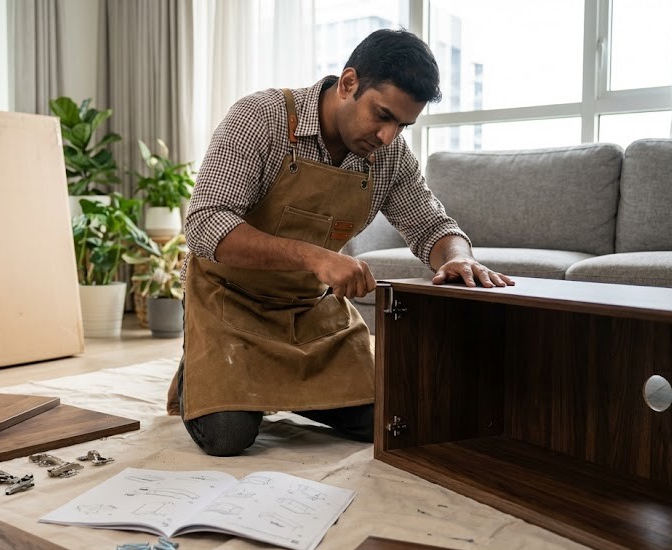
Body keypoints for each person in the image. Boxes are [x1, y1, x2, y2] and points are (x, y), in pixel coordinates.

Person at [166, 29, 514, 457]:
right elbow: (205, 224)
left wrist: (459, 258)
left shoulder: (389, 154)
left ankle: (267, 387)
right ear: (349, 83)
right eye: (382, 115)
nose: (388, 136)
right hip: (226, 300)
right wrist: (315, 257)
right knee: (227, 438)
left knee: (388, 418)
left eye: (402, 125)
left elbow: (430, 224)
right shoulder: (259, 118)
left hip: (310, 307)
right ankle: (198, 370)